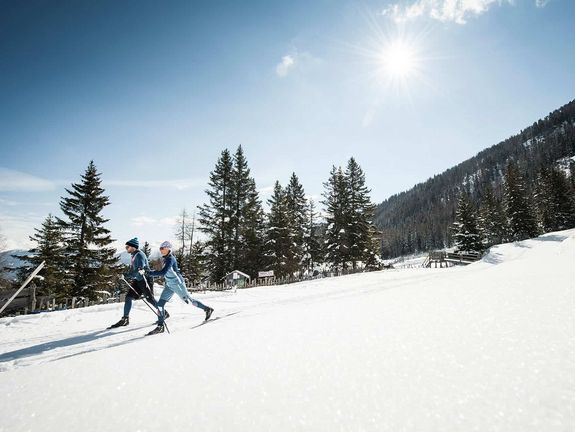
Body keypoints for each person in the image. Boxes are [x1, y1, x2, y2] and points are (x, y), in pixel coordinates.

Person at [145, 241, 213, 335]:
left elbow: (163, 272)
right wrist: (147, 271)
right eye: (160, 248)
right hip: (169, 285)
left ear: (168, 249)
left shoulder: (170, 259)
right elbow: (161, 271)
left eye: (162, 248)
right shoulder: (165, 259)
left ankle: (207, 309)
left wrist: (149, 273)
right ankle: (160, 326)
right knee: (160, 305)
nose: (161, 250)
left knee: (190, 301)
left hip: (177, 284)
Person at [109, 237, 160, 329]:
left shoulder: (139, 255)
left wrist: (127, 275)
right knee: (128, 297)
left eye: (127, 247)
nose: (126, 248)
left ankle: (163, 312)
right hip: (138, 280)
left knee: (150, 299)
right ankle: (125, 319)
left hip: (145, 280)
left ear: (133, 247)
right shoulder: (134, 254)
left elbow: (138, 270)